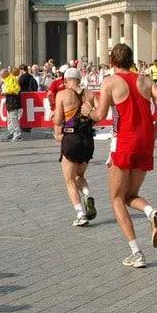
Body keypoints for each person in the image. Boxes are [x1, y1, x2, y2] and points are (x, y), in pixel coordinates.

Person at [88, 44, 157, 268]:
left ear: (112, 62)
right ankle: (151, 211)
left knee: (116, 198)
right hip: (146, 142)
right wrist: (156, 127)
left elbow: (99, 115)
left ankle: (137, 252)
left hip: (125, 141)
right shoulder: (145, 80)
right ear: (131, 60)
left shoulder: (110, 82)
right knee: (131, 195)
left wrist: (86, 110)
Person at [53, 68, 97, 227]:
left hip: (71, 138)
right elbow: (98, 116)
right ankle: (86, 195)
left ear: (66, 80)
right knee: (80, 175)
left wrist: (57, 116)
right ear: (79, 79)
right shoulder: (90, 94)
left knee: (69, 180)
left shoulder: (62, 94)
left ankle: (80, 214)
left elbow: (58, 121)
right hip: (88, 140)